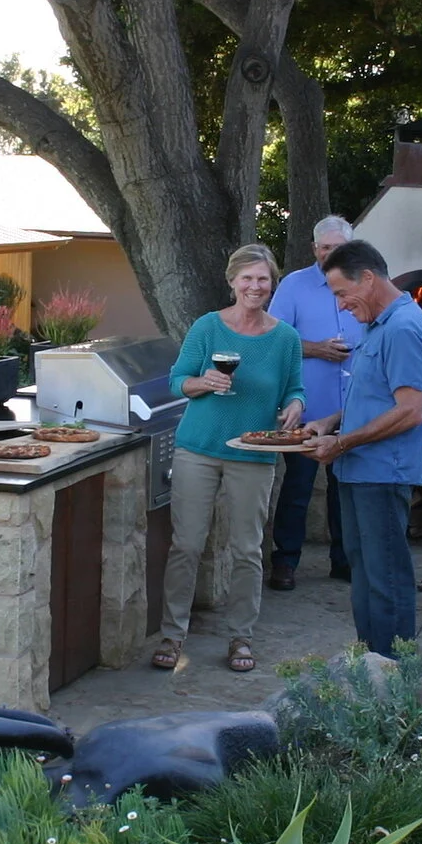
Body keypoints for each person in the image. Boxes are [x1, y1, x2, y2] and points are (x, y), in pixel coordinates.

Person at [154, 243, 305, 674]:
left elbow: (295, 389)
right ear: (232, 281)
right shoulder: (207, 327)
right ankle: (172, 635)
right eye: (247, 278)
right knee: (186, 545)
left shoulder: (286, 339)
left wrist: (295, 406)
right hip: (198, 448)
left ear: (273, 283)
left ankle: (241, 637)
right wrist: (204, 382)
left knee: (247, 549)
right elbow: (177, 381)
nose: (255, 286)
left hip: (253, 453)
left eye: (263, 279)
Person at [302, 239, 422, 658]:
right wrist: (331, 421)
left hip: (382, 473)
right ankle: (370, 665)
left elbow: (410, 411)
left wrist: (341, 442)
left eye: (343, 293)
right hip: (359, 470)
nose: (341, 305)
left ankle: (394, 672)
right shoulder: (379, 325)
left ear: (369, 279)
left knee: (386, 577)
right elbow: (375, 398)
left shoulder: (404, 328)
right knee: (364, 571)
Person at [265, 215, 355, 590]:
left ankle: (344, 561)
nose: (330, 254)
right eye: (324, 247)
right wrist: (317, 349)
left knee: (345, 489)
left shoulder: (361, 284)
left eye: (338, 248)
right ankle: (285, 562)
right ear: (314, 248)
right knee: (297, 489)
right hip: (307, 408)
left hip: (353, 410)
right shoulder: (294, 285)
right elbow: (273, 340)